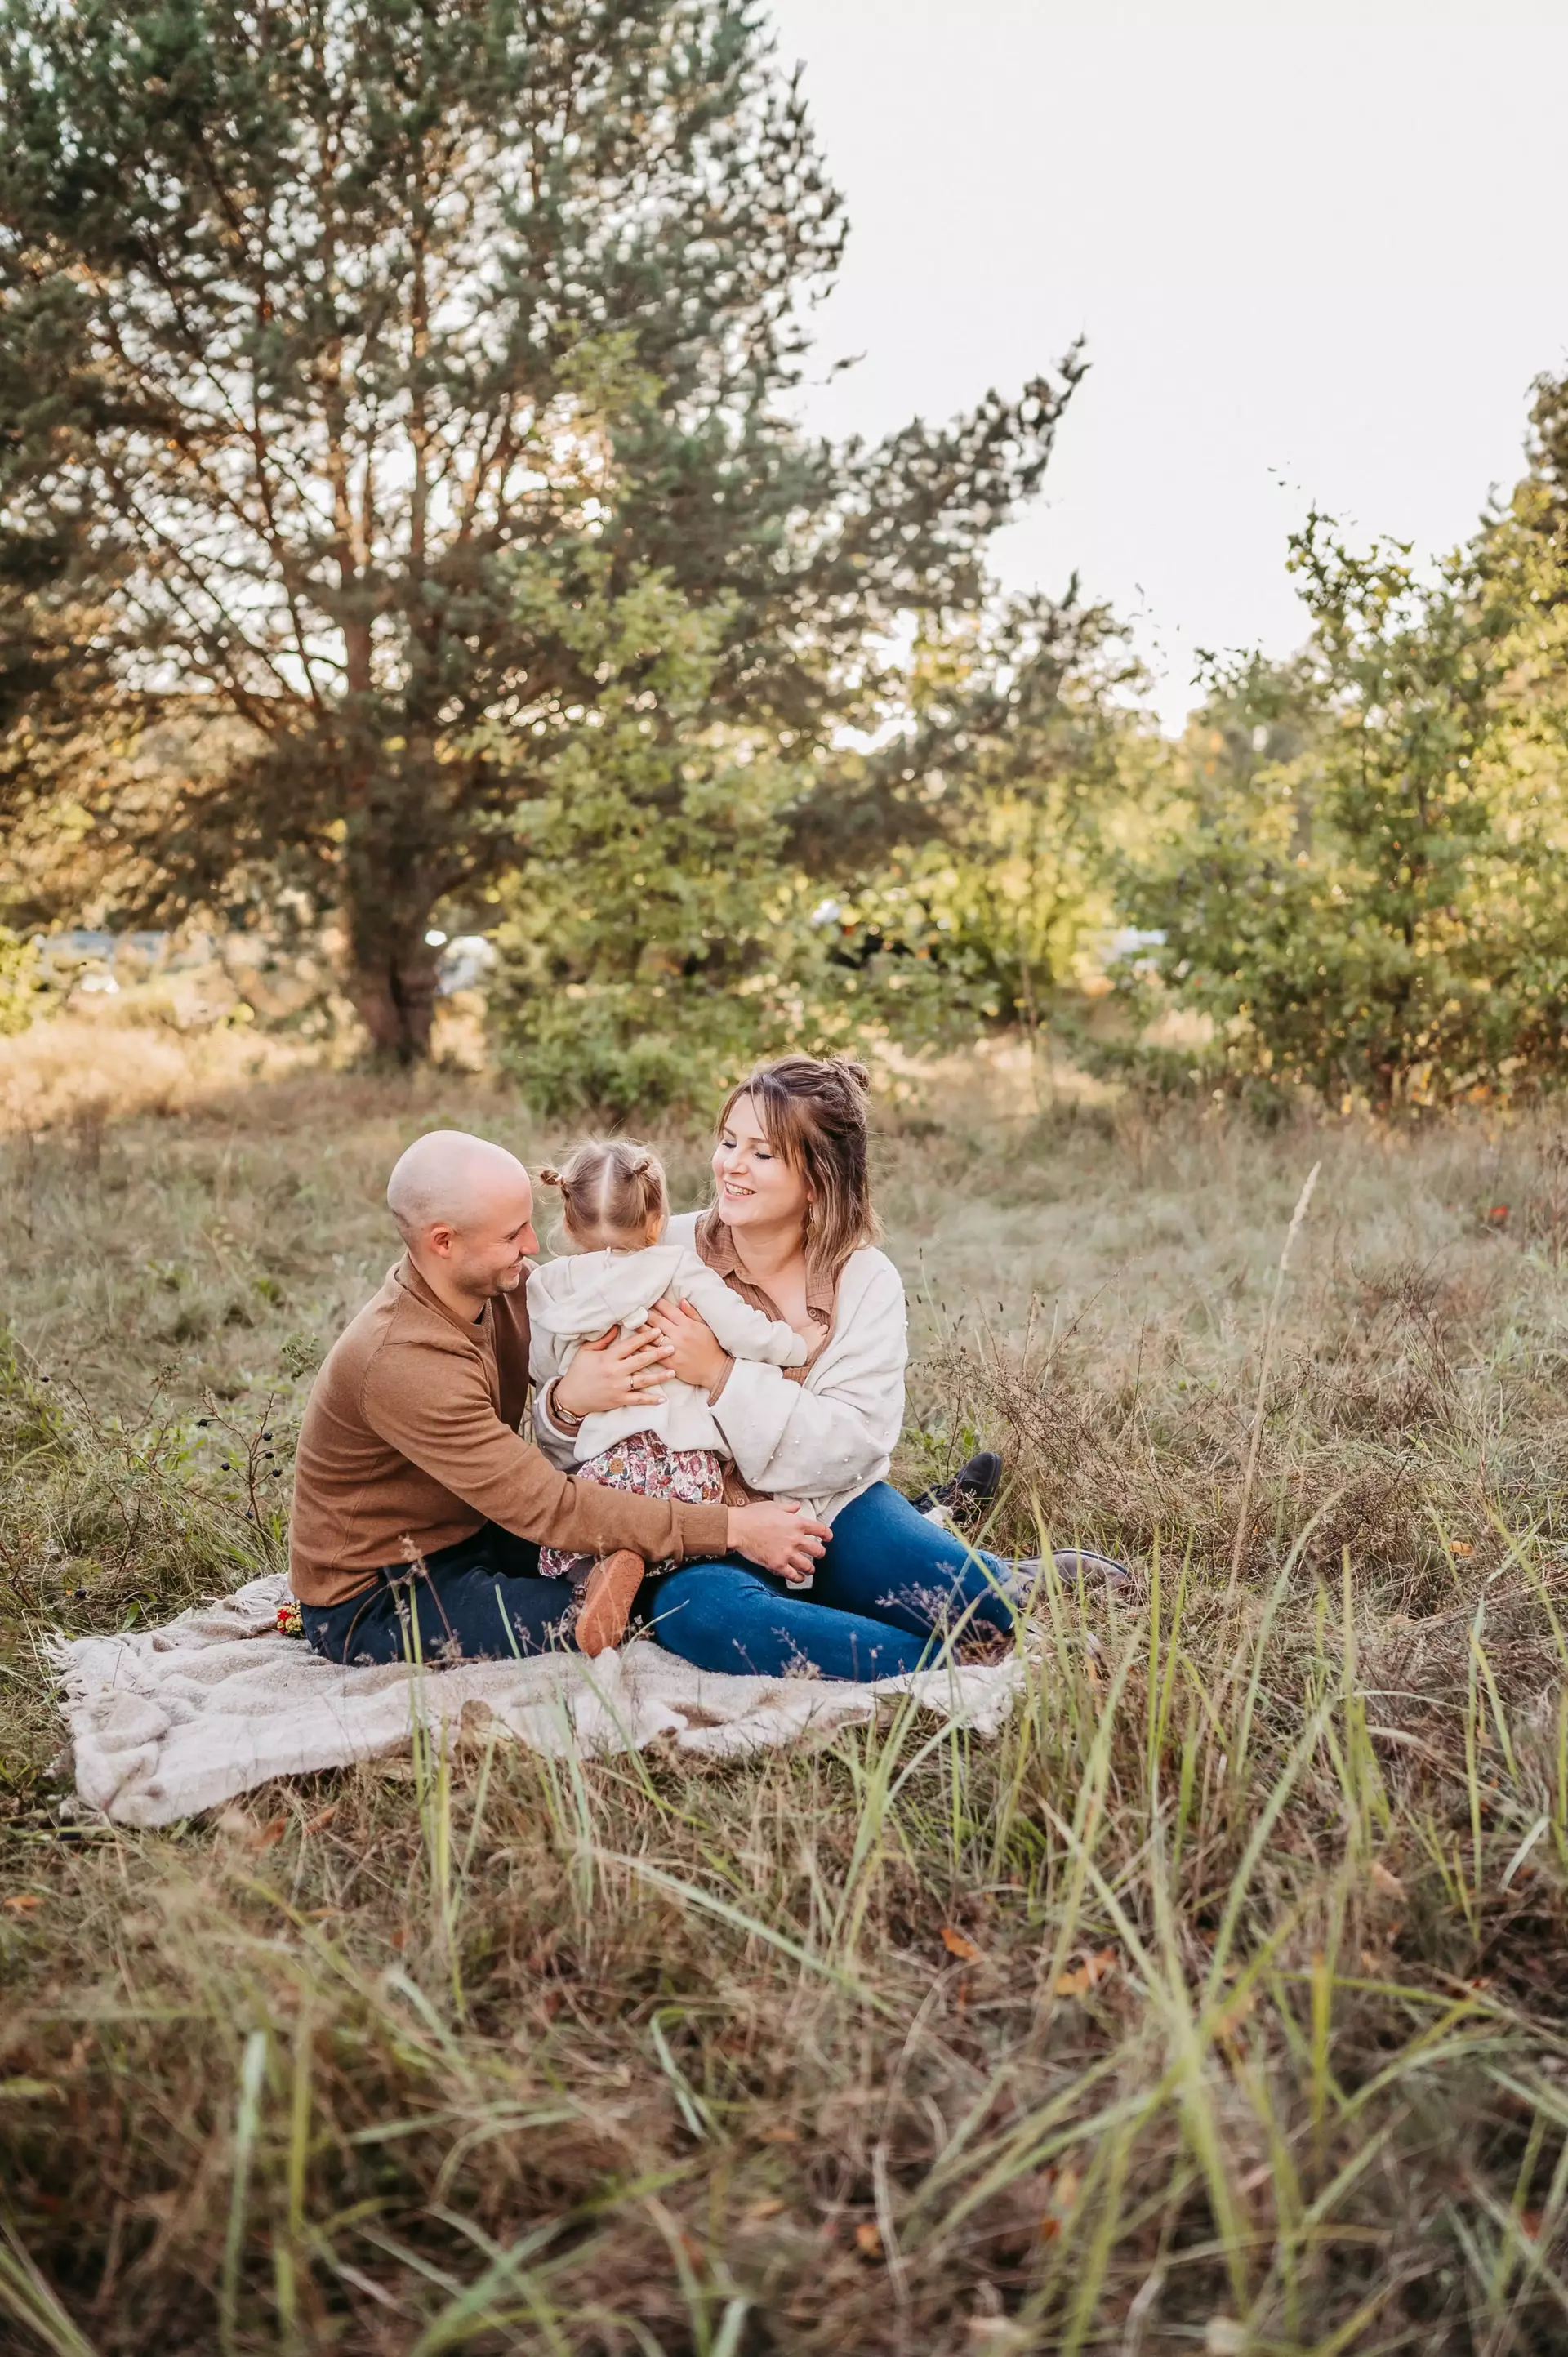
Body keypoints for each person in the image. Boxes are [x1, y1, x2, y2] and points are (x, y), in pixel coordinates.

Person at [533, 1057, 1127, 1681]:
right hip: (704, 1538)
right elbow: (581, 1434)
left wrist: (721, 1374)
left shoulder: (863, 1280)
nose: (731, 1165)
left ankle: (1009, 1580)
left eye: (762, 1153)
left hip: (829, 1510)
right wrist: (566, 1404)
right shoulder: (657, 1249)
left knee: (970, 1601)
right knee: (708, 1619)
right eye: (729, 1142)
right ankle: (954, 1671)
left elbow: (851, 1443)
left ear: (818, 1181)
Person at [288, 1129, 828, 1665]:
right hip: (380, 1592)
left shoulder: (507, 1288)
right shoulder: (404, 1360)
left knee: (654, 1557)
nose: (531, 1247)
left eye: (528, 1224)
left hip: (477, 1529)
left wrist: (596, 1388)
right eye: (511, 1235)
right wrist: (733, 1529)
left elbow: (593, 1326)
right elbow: (547, 1504)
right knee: (620, 1610)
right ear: (444, 1242)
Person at [527, 1137, 811, 1597]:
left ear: (568, 1220)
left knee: (589, 1533)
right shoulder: (677, 1269)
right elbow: (743, 1331)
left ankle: (594, 1583)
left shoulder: (547, 1287)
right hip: (682, 1464)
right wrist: (794, 1344)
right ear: (657, 1220)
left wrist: (566, 1390)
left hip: (605, 1467)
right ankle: (644, 1584)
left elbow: (542, 1370)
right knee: (687, 1551)